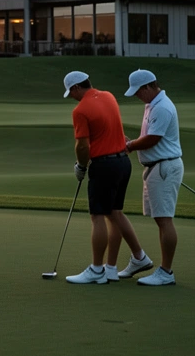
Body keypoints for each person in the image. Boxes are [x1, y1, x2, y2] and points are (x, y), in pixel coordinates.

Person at [61, 71, 147, 285]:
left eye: (71, 93)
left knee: (98, 216)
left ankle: (97, 269)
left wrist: (81, 166)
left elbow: (82, 145)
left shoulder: (80, 110)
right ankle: (119, 265)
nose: (72, 97)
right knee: (114, 213)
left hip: (104, 165)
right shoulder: (108, 96)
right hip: (123, 163)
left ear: (76, 88)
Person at [123, 69, 183, 286]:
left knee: (165, 219)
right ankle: (161, 270)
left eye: (138, 92)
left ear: (148, 86)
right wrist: (132, 142)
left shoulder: (163, 107)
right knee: (160, 219)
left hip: (164, 166)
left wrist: (129, 146)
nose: (138, 96)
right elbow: (147, 137)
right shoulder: (152, 104)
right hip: (157, 167)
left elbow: (153, 139)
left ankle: (166, 272)